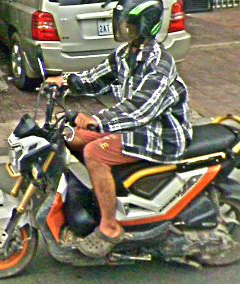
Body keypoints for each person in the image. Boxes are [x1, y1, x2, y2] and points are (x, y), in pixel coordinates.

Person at [47, 0, 192, 258]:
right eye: (122, 23)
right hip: (137, 127)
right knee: (74, 138)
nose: (122, 29)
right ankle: (100, 198)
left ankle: (110, 227)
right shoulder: (125, 55)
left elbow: (139, 109)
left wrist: (97, 121)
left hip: (160, 133)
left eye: (129, 24)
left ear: (145, 25)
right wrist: (66, 82)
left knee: (94, 152)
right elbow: (95, 78)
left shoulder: (159, 63)